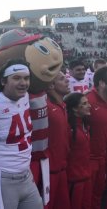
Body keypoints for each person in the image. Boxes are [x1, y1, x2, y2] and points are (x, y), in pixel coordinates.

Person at [0, 59, 42, 209]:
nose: (23, 83)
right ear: (3, 81)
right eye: (17, 78)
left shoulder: (23, 96)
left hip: (25, 174)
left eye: (26, 78)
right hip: (1, 178)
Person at [46, 71, 71, 209]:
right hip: (49, 171)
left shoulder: (62, 105)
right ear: (50, 85)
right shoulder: (47, 107)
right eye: (62, 79)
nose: (67, 81)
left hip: (62, 168)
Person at [64, 92, 91, 209]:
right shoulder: (69, 129)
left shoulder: (84, 124)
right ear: (75, 108)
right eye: (84, 104)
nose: (89, 105)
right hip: (74, 181)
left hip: (86, 177)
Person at [85, 66, 107, 209]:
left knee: (100, 195)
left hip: (104, 158)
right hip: (90, 160)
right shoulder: (87, 100)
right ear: (101, 83)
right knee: (89, 197)